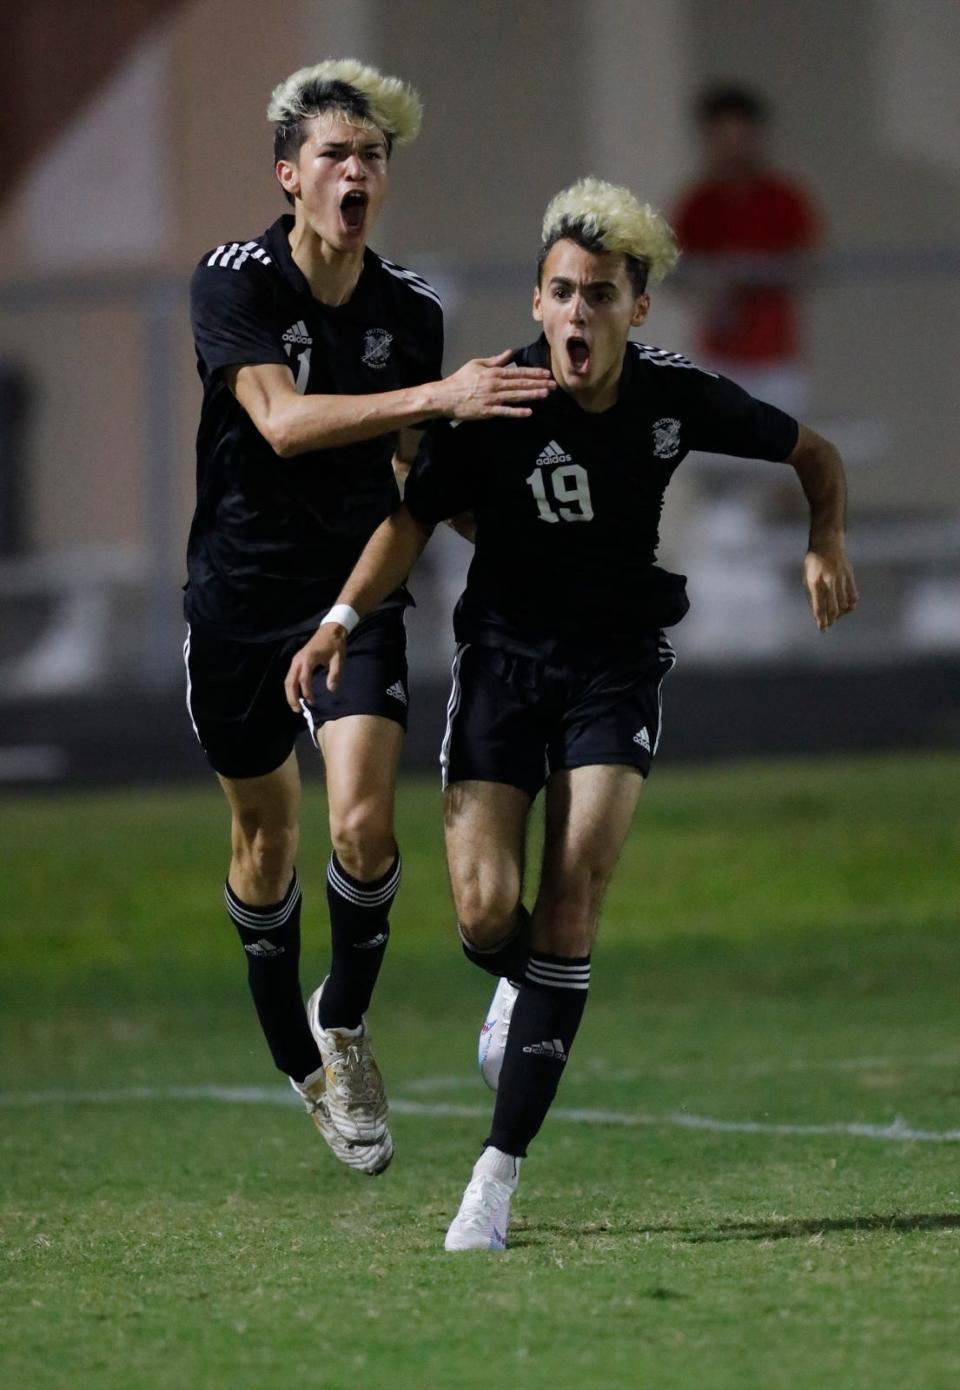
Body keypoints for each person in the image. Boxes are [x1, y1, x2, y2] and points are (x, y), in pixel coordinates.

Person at [283, 177, 858, 1244]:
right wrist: (339, 618)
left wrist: (825, 539)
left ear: (637, 308)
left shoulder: (673, 394)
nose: (577, 313)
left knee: (576, 888)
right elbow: (410, 520)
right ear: (538, 304)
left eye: (600, 293)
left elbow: (812, 455)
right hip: (501, 665)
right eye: (560, 292)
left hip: (614, 666)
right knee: (483, 912)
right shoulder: (495, 398)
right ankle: (529, 988)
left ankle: (493, 1182)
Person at [183, 58, 553, 1178]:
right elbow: (287, 426)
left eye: (372, 158)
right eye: (335, 156)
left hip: (352, 595)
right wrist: (440, 397)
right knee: (263, 837)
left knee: (361, 826)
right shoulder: (234, 280)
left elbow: (416, 471)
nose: (356, 172)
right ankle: (294, 1056)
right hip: (239, 601)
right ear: (289, 175)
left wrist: (536, 544)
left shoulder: (412, 311)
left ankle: (343, 1024)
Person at [673, 84, 820, 418]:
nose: (732, 152)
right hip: (720, 357)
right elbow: (675, 271)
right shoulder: (698, 204)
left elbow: (809, 263)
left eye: (740, 140)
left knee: (784, 459)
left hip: (776, 358)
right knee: (720, 457)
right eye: (722, 141)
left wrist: (758, 273)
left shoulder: (783, 199)